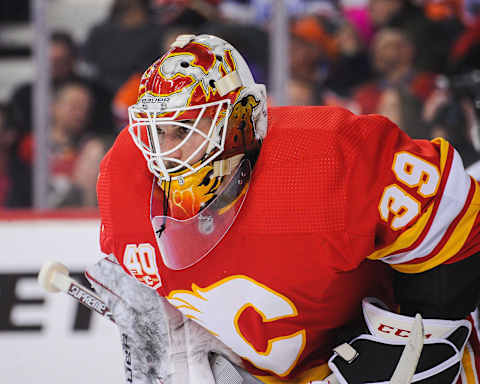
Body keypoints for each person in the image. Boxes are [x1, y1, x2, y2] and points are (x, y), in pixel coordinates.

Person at [87, 34, 480, 383]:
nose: (167, 151)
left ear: (239, 121)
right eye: (157, 131)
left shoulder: (327, 160)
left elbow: (456, 220)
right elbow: (146, 279)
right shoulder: (125, 177)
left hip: (358, 345)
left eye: (187, 128)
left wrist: (414, 337)